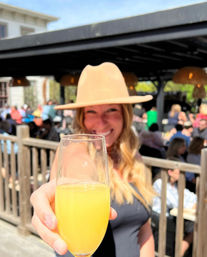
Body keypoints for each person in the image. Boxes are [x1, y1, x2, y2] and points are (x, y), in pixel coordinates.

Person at [30, 62, 155, 257]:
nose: (101, 121)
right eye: (91, 111)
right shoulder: (75, 151)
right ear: (82, 117)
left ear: (125, 114)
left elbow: (144, 229)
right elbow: (75, 178)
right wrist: (54, 200)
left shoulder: (133, 157)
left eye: (111, 110)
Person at [152, 157, 197, 257]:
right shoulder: (159, 183)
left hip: (174, 218)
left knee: (196, 227)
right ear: (170, 172)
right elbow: (175, 203)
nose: (182, 173)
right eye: (179, 171)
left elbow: (192, 197)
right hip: (162, 218)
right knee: (195, 228)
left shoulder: (176, 186)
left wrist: (195, 203)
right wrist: (193, 205)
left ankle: (181, 250)